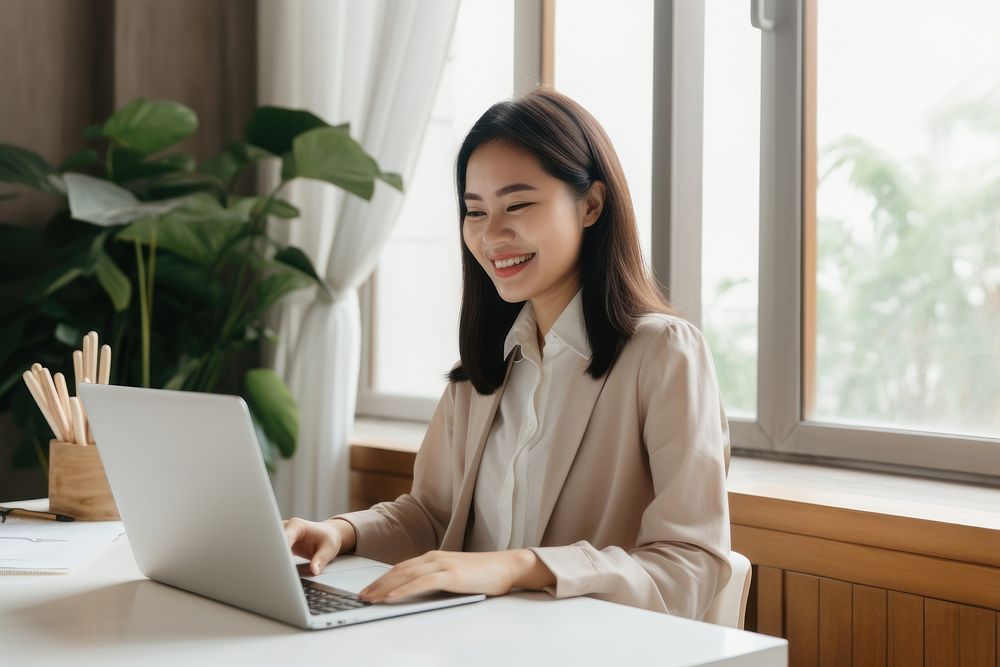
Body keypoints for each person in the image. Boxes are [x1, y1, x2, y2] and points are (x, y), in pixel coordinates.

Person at [283, 87, 732, 620]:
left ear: (590, 205)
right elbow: (432, 517)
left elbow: (690, 563)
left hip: (589, 646)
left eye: (517, 204)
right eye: (475, 211)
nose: (492, 234)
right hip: (472, 639)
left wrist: (523, 567)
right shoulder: (481, 373)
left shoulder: (663, 354)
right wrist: (342, 531)